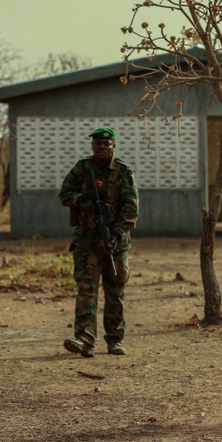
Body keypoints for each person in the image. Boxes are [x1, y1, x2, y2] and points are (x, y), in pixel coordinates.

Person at [58, 127, 139, 357]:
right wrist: (79, 200)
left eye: (106, 144)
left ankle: (115, 340)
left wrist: (116, 235)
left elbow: (131, 209)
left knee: (115, 291)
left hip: (115, 242)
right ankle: (84, 339)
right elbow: (64, 193)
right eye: (98, 144)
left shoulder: (123, 172)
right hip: (86, 243)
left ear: (113, 146)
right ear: (92, 146)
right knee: (86, 291)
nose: (102, 147)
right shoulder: (82, 168)